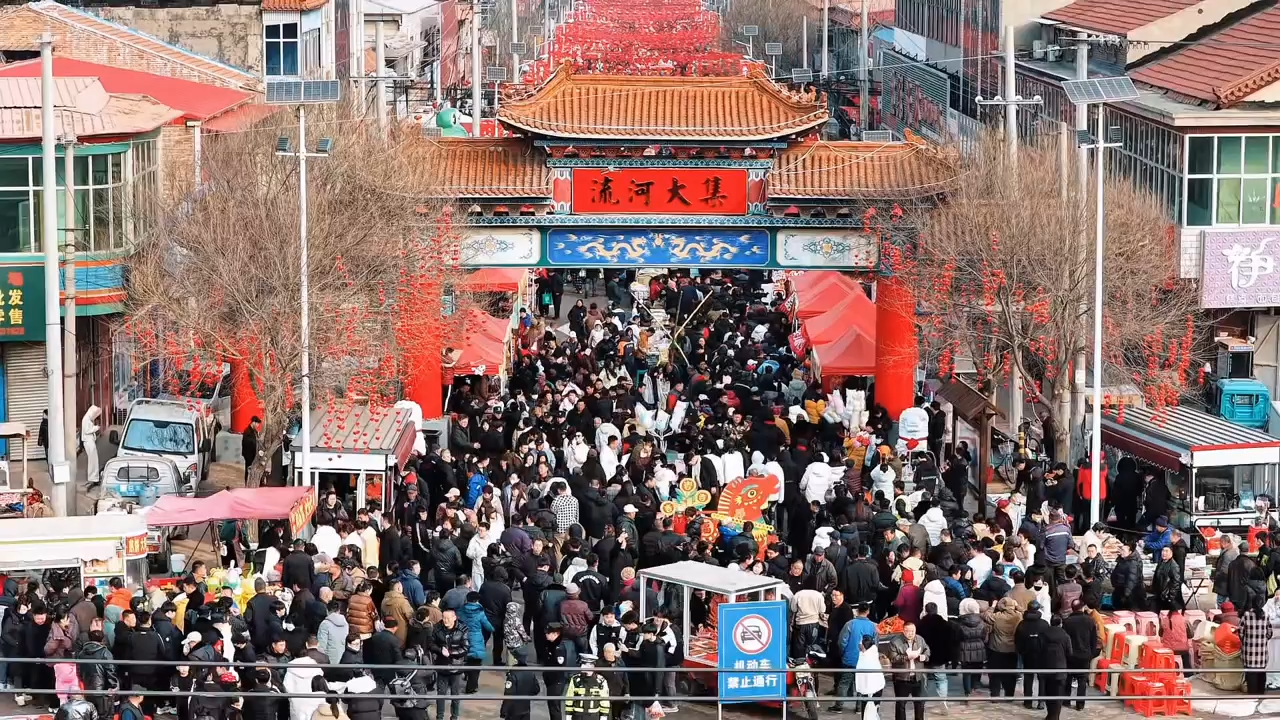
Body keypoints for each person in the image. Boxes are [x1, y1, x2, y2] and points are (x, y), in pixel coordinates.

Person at [429, 607, 469, 720]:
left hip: (456, 666)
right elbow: (431, 644)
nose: (445, 620)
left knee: (455, 695)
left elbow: (465, 648)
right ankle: (439, 717)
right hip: (442, 666)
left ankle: (454, 717)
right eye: (444, 617)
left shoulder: (462, 629)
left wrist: (451, 653)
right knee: (440, 694)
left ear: (454, 618)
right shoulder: (437, 628)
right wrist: (439, 650)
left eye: (448, 618)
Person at [886, 621, 929, 720]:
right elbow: (893, 658)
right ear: (903, 631)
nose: (911, 633)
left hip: (918, 677)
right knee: (901, 704)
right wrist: (906, 657)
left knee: (920, 704)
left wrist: (924, 657)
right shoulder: (895, 641)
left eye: (913, 631)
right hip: (902, 678)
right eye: (908, 631)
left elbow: (927, 651)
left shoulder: (920, 639)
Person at [564, 653, 610, 720]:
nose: (582, 666)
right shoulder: (575, 680)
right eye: (582, 664)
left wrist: (603, 716)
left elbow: (604, 701)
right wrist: (568, 716)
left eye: (585, 664)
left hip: (593, 716)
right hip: (578, 716)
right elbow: (569, 698)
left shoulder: (601, 681)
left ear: (592, 666)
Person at [1242, 604, 1273, 695]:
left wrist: (1246, 641)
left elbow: (1240, 632)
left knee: (1251, 674)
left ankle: (1252, 695)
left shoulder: (1246, 615)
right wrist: (1263, 640)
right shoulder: (1266, 616)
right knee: (1261, 673)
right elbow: (1270, 633)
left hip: (1249, 652)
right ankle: (1261, 693)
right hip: (1262, 652)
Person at [242, 416, 262, 484]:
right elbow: (248, 443)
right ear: (253, 422)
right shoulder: (247, 432)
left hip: (254, 453)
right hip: (249, 454)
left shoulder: (254, 431)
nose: (257, 426)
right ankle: (247, 482)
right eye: (257, 424)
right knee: (248, 469)